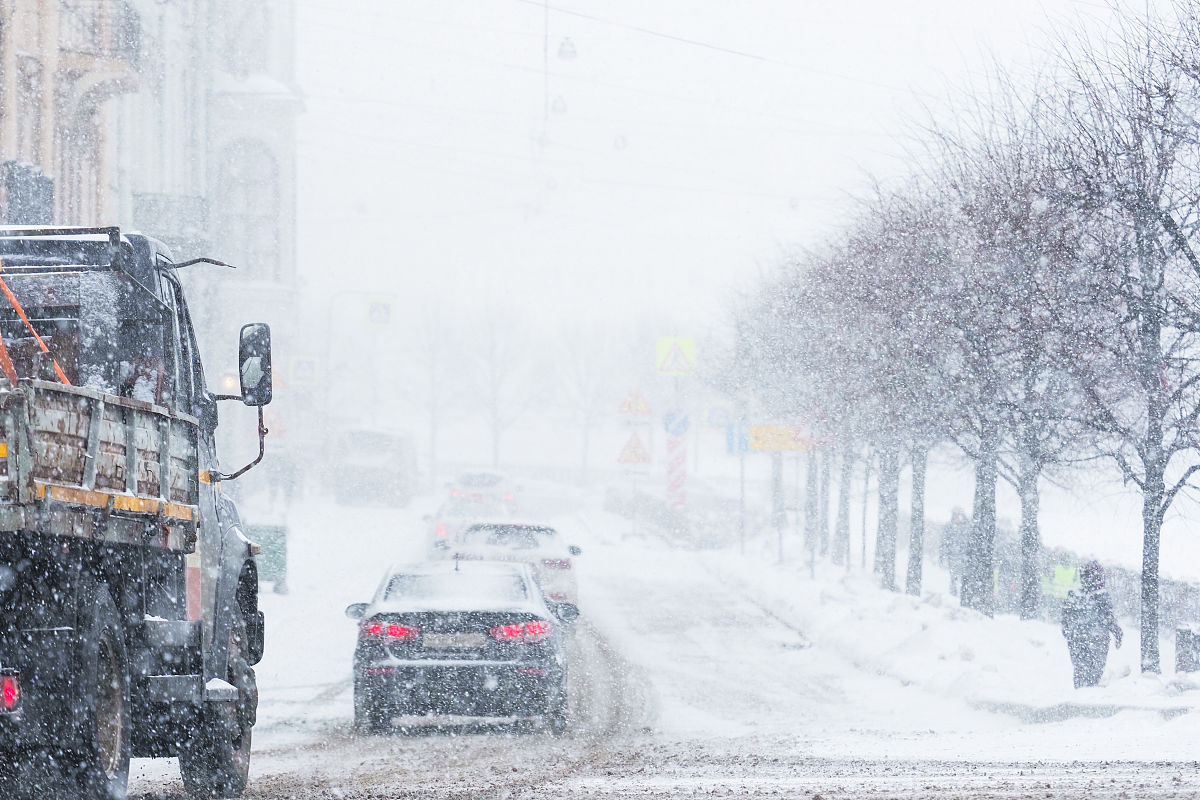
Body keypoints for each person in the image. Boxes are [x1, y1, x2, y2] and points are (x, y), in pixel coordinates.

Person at [1061, 561, 1123, 688]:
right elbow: (1108, 618)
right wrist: (1118, 633)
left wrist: (1068, 632)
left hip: (1077, 638)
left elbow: (1066, 618)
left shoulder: (1073, 595)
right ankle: (1089, 692)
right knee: (1095, 670)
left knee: (1079, 667)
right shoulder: (1102, 596)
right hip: (1097, 639)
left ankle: (1080, 692)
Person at [939, 508, 970, 597]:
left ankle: (964, 595)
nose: (958, 518)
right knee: (954, 578)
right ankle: (953, 596)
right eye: (955, 515)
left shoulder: (967, 528)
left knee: (964, 578)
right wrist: (943, 556)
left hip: (964, 558)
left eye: (959, 515)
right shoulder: (949, 528)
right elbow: (944, 543)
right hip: (953, 558)